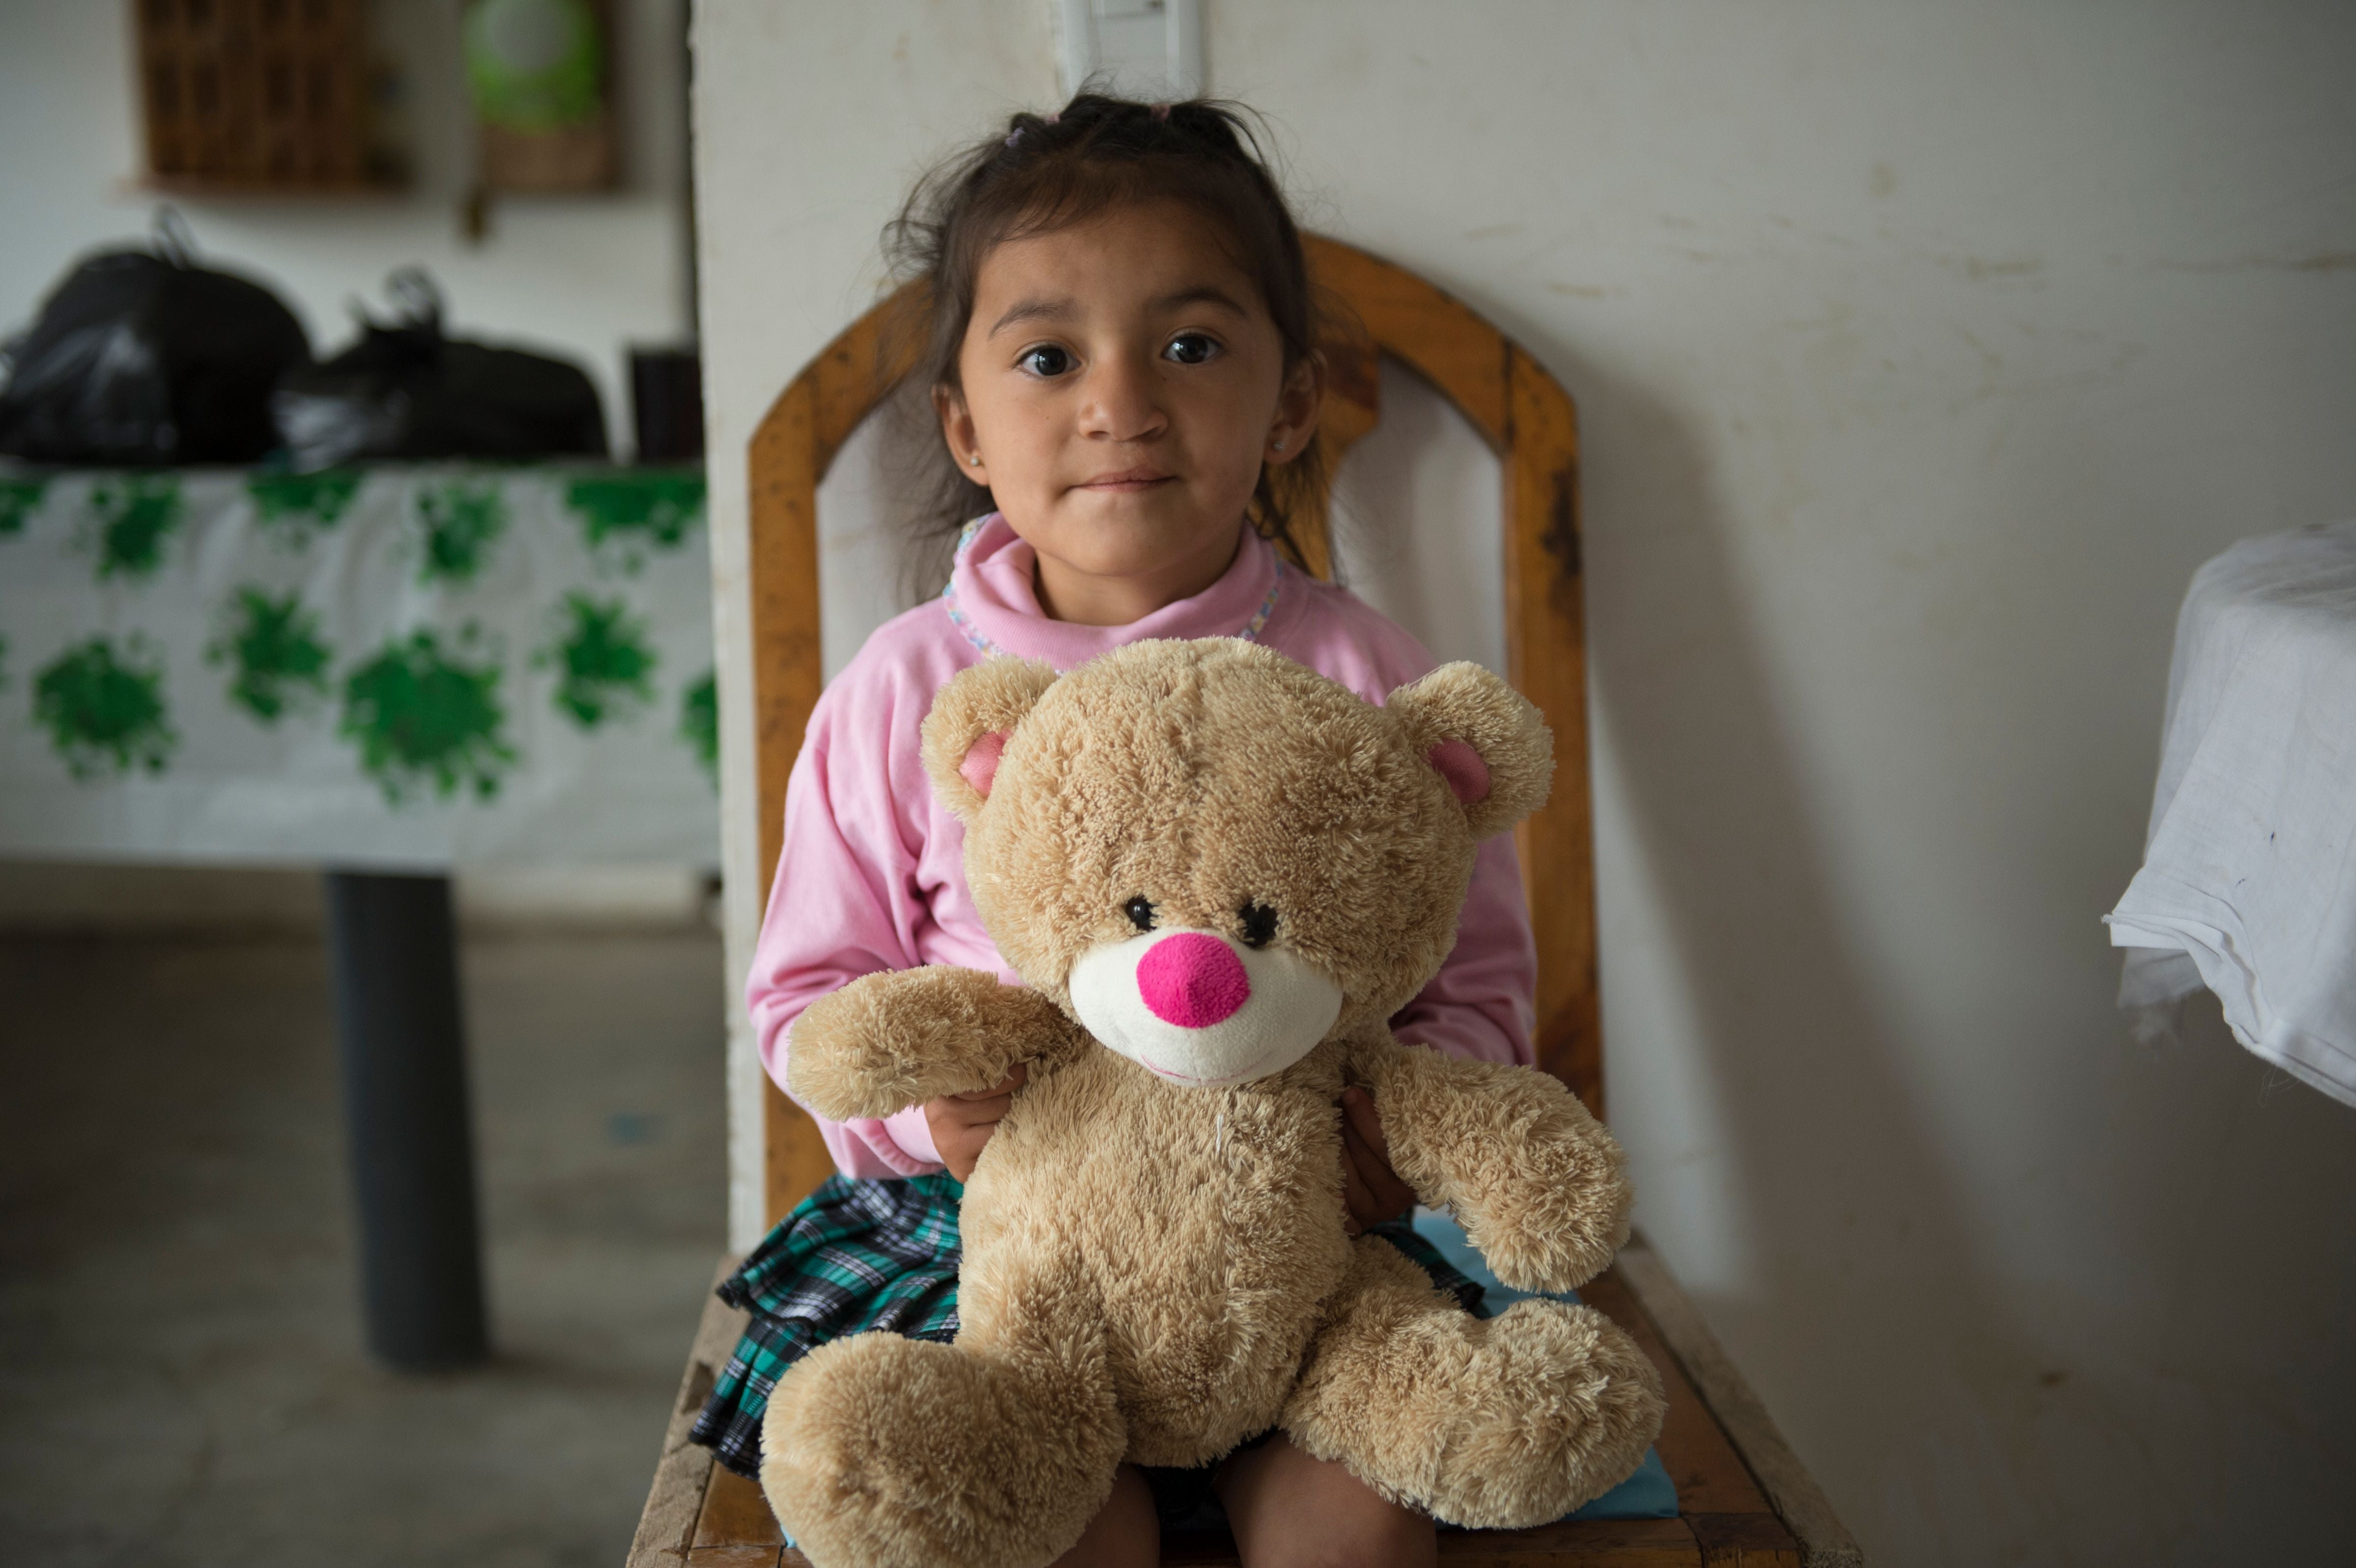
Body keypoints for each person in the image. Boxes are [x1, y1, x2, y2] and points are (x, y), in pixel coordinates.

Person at [689, 93, 1540, 1568]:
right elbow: (809, 994)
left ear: (1290, 404)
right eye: (1046, 357)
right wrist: (922, 1122)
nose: (1121, 402)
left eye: (1192, 346)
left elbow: (1476, 985)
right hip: (989, 1242)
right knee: (1048, 1526)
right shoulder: (910, 689)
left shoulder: (1370, 680)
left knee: (1364, 1523)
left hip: (1299, 1245)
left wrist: (1389, 1143)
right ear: (965, 424)